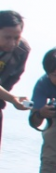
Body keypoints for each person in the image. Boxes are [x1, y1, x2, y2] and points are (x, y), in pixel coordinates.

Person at [0, 10, 31, 156]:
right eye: (7, 37)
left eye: (16, 38)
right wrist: (12, 98)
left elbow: (14, 77)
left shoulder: (22, 50)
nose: (12, 43)